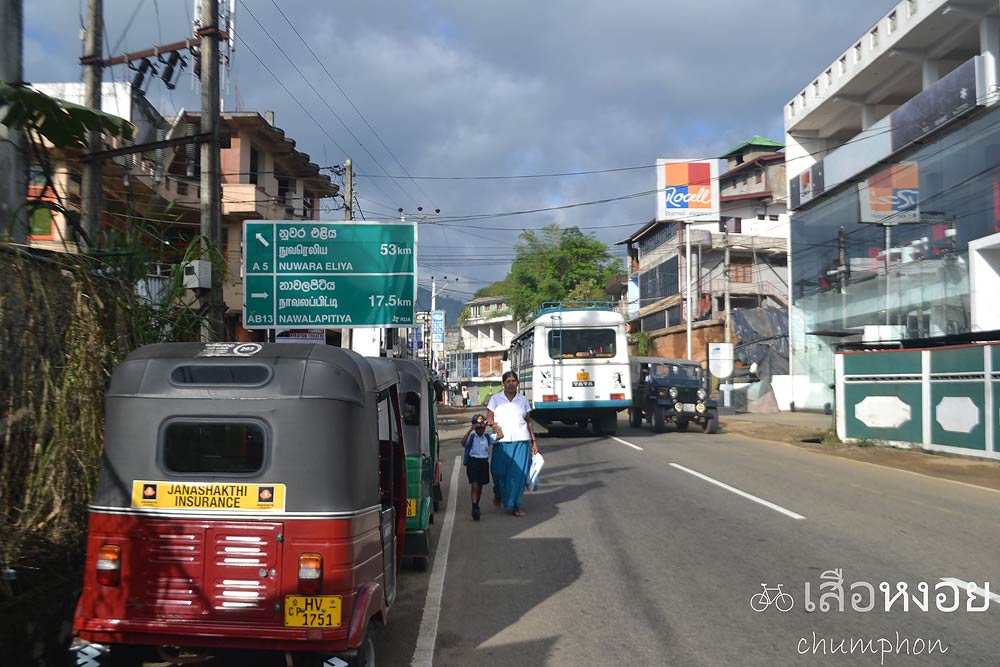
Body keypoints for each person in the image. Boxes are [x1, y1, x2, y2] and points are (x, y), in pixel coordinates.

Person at [486, 371, 539, 517]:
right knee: (498, 472)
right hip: (502, 442)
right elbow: (489, 418)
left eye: (513, 381)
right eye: (508, 381)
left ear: (517, 383)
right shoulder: (495, 399)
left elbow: (528, 421)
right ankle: (498, 493)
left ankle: (516, 505)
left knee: (518, 475)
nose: (511, 383)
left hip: (521, 441)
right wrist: (495, 428)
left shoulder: (523, 400)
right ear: (503, 383)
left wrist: (534, 442)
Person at [462, 414, 502, 521]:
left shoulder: (487, 438)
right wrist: (471, 429)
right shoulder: (472, 437)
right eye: (478, 428)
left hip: (483, 463)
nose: (480, 430)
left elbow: (500, 436)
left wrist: (493, 426)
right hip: (473, 462)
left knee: (480, 486)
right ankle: (474, 507)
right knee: (474, 484)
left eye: (482, 428)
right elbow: (463, 442)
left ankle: (476, 504)